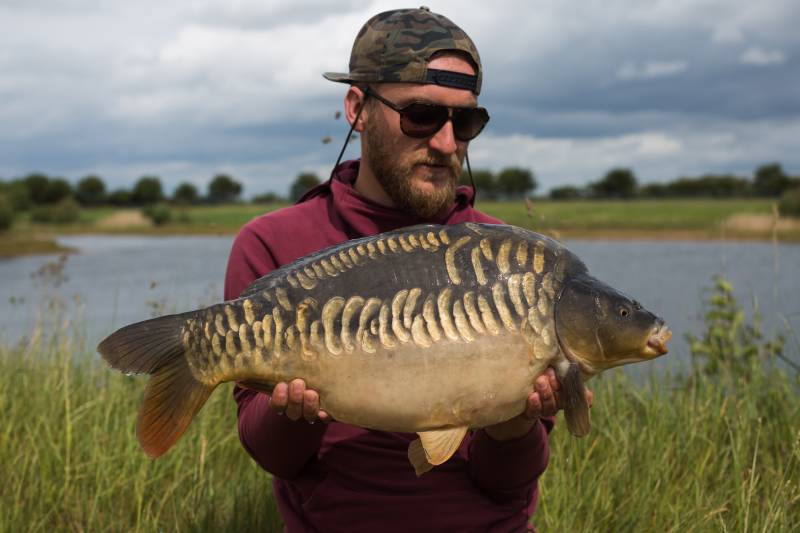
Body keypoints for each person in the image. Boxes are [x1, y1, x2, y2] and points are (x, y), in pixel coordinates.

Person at [224, 7, 590, 532]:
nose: (446, 144)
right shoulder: (273, 243)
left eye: (465, 122)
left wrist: (515, 423)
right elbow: (276, 459)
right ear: (358, 107)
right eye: (421, 115)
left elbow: (505, 485)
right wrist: (291, 410)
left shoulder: (514, 266)